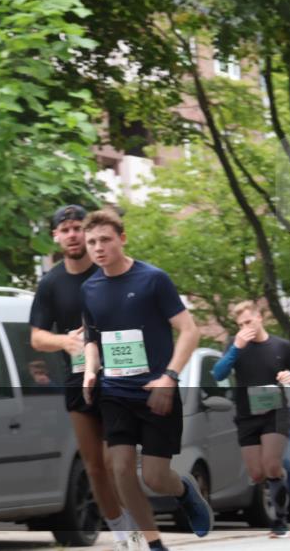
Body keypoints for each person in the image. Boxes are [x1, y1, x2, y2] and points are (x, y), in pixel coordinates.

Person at [79, 209, 213, 551]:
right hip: (115, 391)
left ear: (122, 239)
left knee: (154, 477)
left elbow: (189, 331)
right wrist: (92, 370)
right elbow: (91, 337)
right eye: (91, 241)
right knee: (120, 469)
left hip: (156, 390)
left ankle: (184, 491)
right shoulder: (90, 288)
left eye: (105, 239)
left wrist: (170, 377)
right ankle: (153, 545)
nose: (98, 248)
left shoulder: (152, 279)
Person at [30, 204, 144, 551]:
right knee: (94, 467)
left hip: (118, 376)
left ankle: (137, 527)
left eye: (77, 228)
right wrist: (65, 341)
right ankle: (122, 532)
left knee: (116, 463)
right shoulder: (51, 283)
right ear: (56, 237)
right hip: (78, 379)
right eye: (64, 230)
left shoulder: (110, 269)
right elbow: (36, 337)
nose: (72, 235)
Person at [211, 300, 290, 538]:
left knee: (271, 465)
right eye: (240, 324)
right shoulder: (235, 345)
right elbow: (218, 374)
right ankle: (278, 480)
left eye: (248, 321)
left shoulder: (281, 346)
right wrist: (236, 346)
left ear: (260, 318)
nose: (245, 327)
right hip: (246, 415)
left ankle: (280, 520)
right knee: (257, 474)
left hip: (275, 412)